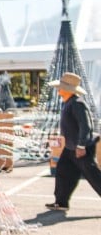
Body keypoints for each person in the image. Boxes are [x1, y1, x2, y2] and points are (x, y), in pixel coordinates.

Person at [45, 72, 101, 211]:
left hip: (81, 148)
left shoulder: (77, 103)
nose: (58, 90)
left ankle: (61, 201)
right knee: (63, 172)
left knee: (94, 177)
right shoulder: (69, 102)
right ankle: (61, 202)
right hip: (71, 147)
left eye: (60, 87)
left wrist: (81, 145)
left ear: (68, 89)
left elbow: (86, 126)